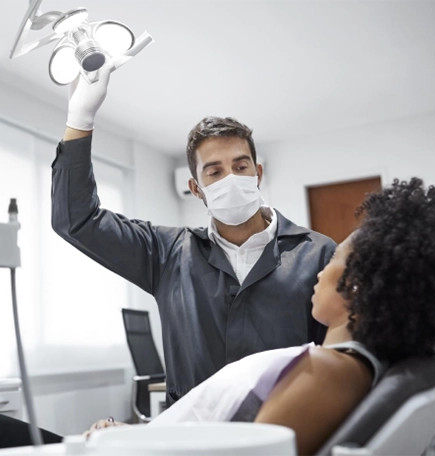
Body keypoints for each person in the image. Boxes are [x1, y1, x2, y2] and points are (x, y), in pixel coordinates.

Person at [87, 177, 435, 455]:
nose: (318, 271)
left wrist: (126, 446)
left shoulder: (328, 374)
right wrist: (137, 436)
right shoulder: (338, 368)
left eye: (335, 259)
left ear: (356, 285)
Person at [51, 63, 336, 406]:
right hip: (192, 436)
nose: (231, 177)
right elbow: (77, 220)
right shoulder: (167, 253)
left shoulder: (318, 254)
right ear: (196, 188)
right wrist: (80, 120)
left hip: (285, 432)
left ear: (257, 173)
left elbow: (336, 360)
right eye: (214, 171)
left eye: (240, 166)